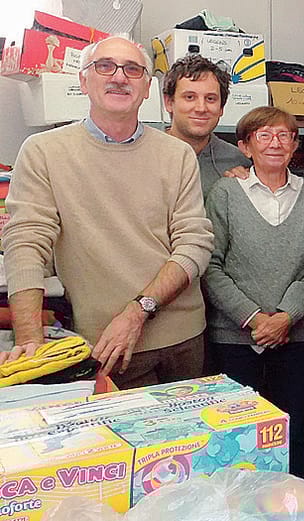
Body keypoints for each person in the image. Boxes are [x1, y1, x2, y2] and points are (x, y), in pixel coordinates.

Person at [1, 35, 214, 388]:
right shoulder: (43, 152)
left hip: (184, 340)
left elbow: (194, 243)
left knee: (191, 445)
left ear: (147, 89)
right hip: (105, 346)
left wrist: (137, 311)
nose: (119, 77)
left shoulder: (176, 155)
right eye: (105, 66)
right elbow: (25, 243)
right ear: (84, 81)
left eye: (133, 69)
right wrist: (29, 341)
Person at [202, 106, 304, 478]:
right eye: (264, 135)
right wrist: (255, 318)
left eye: (284, 135)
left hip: (298, 335)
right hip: (236, 337)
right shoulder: (225, 192)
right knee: (238, 438)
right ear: (245, 146)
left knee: (294, 431)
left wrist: (287, 315)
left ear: (295, 146)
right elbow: (211, 265)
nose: (275, 143)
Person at [162, 54, 250, 198]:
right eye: (189, 97)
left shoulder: (237, 161)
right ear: (169, 102)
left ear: (221, 107)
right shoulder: (145, 155)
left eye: (210, 99)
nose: (201, 108)